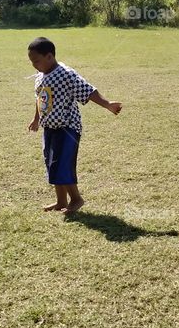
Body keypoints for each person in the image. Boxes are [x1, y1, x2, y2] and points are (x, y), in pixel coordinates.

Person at [27, 37, 122, 214]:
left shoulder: (65, 74)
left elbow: (87, 90)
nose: (34, 65)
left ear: (49, 56)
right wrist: (36, 119)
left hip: (67, 128)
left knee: (63, 164)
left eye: (37, 61)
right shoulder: (41, 76)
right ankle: (61, 201)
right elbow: (40, 98)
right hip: (50, 128)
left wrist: (107, 104)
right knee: (52, 164)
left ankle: (76, 199)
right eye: (31, 61)